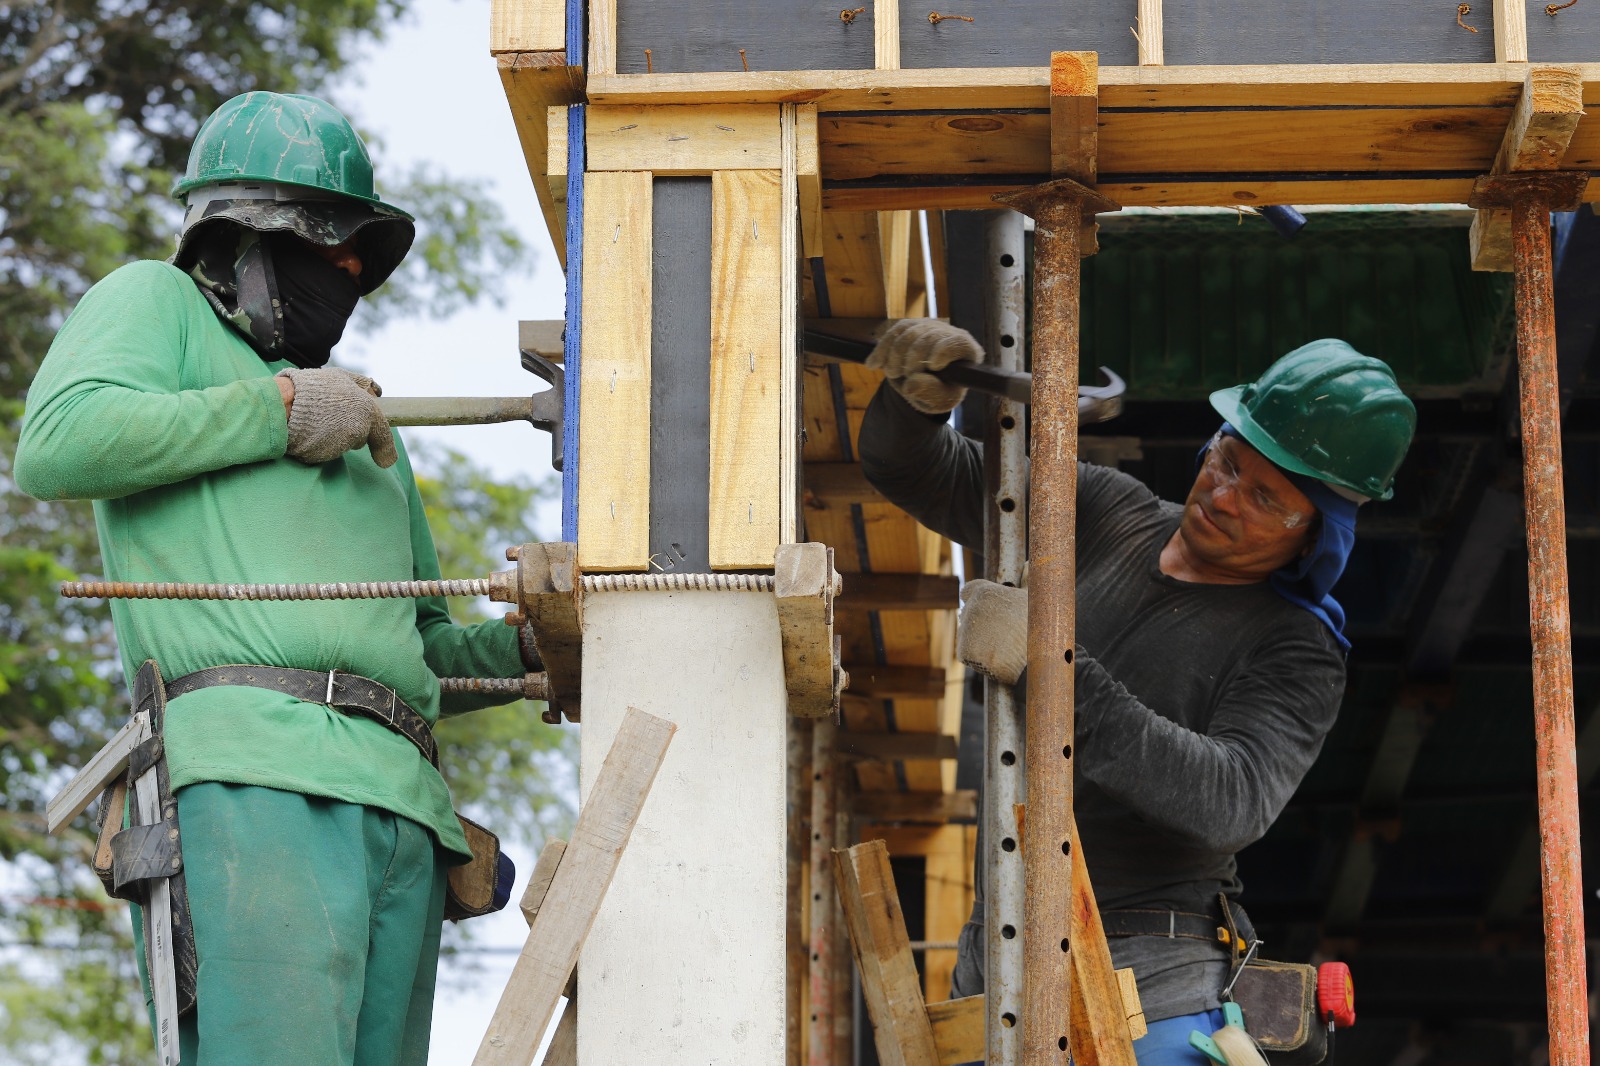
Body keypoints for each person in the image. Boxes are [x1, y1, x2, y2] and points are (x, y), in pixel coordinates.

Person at [15, 91, 536, 1065]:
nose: (351, 268)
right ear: (242, 235)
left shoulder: (363, 427)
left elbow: (420, 648)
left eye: (359, 252)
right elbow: (58, 443)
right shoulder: (158, 303)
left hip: (405, 808)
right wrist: (279, 410)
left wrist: (534, 644)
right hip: (252, 778)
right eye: (331, 241)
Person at [859, 320, 1416, 1064]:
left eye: (1264, 497)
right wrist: (917, 404)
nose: (1224, 496)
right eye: (1227, 462)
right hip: (997, 957)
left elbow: (1229, 801)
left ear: (1315, 536)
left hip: (1153, 986)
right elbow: (921, 473)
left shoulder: (1296, 649)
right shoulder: (1104, 509)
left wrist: (1050, 663)